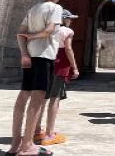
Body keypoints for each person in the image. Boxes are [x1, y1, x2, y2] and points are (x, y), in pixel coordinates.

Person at [5, 0, 66, 156]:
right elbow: (50, 30)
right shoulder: (56, 7)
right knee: (38, 97)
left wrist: (25, 53)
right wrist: (35, 36)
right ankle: (27, 146)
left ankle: (15, 144)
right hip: (44, 55)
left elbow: (20, 33)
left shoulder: (33, 9)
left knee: (24, 94)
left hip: (30, 55)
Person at [34, 9, 80, 146]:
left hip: (44, 61)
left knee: (42, 97)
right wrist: (75, 67)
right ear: (64, 19)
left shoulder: (46, 29)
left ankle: (36, 131)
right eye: (69, 18)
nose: (71, 21)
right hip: (60, 63)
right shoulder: (67, 31)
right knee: (54, 99)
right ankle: (49, 134)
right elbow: (68, 49)